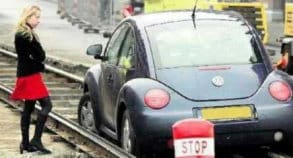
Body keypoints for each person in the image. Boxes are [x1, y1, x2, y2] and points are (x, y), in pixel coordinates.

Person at [10, 5, 52, 154]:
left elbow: (34, 56)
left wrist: (38, 60)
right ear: (28, 17)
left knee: (28, 108)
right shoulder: (25, 35)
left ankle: (26, 143)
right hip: (30, 76)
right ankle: (36, 140)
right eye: (36, 17)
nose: (39, 20)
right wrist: (39, 62)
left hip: (28, 74)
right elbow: (40, 55)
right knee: (47, 105)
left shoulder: (24, 33)